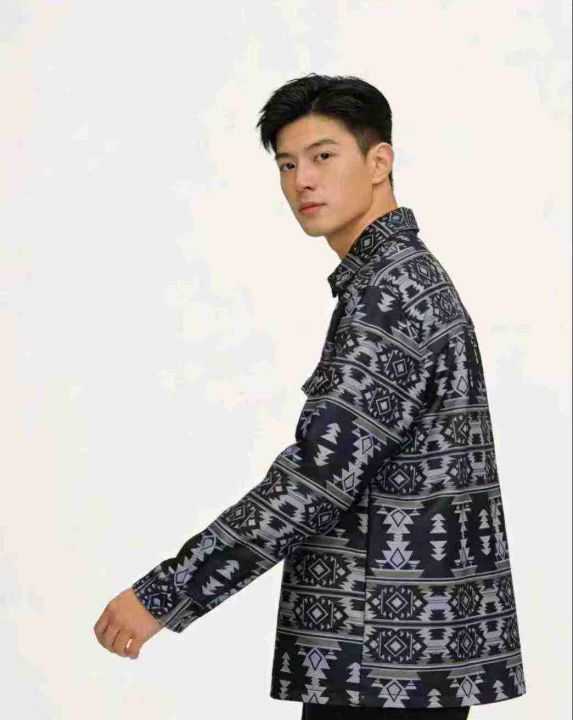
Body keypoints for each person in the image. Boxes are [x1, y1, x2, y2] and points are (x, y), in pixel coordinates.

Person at [94, 74, 527, 717]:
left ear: (379, 162)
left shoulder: (391, 293)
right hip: (404, 654)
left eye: (324, 156)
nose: (303, 181)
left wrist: (166, 593)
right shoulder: (398, 280)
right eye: (288, 164)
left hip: (381, 655)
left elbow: (318, 478)